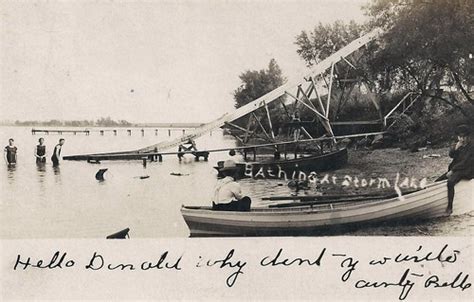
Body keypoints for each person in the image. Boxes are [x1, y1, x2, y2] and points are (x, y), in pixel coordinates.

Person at [438, 125, 474, 214]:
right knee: (437, 181)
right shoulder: (458, 145)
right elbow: (451, 155)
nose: (462, 139)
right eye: (460, 137)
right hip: (457, 169)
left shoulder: (471, 147)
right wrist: (456, 148)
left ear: (468, 137)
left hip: (467, 170)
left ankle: (450, 207)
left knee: (450, 182)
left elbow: (465, 162)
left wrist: (453, 171)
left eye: (464, 137)